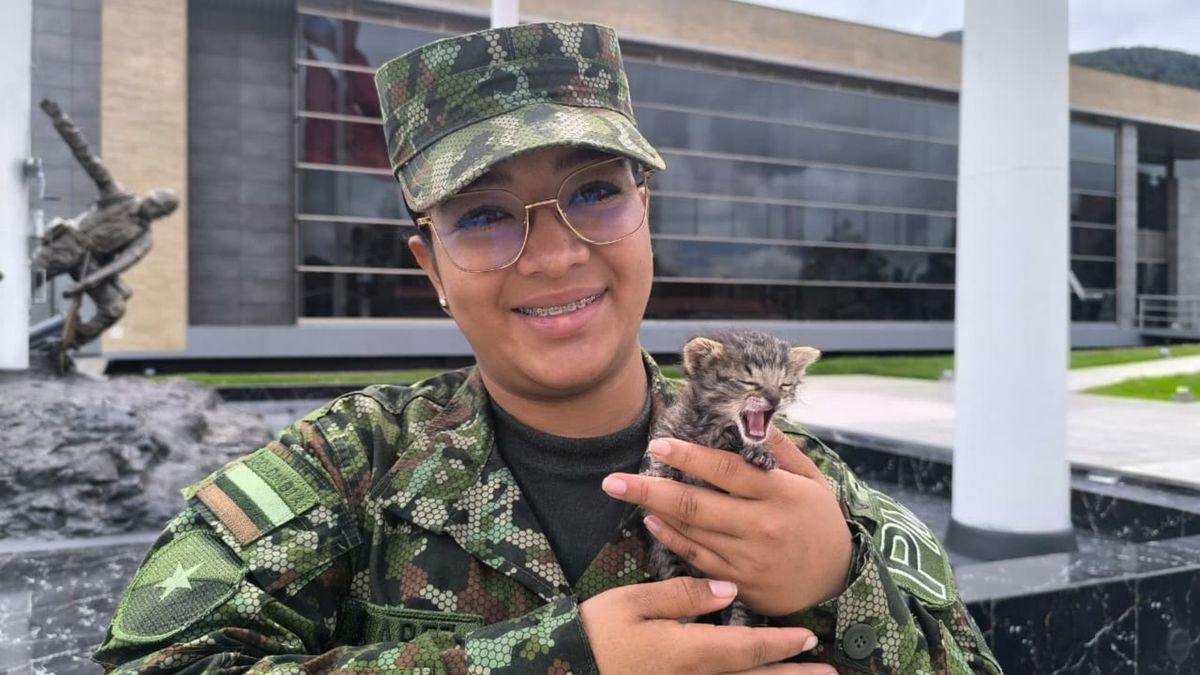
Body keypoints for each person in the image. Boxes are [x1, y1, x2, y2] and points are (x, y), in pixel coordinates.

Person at [93, 21, 1001, 675]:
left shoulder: (800, 490)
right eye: (484, 215)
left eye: (596, 192)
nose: (558, 253)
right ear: (432, 266)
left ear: (648, 215)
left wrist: (839, 584)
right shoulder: (347, 471)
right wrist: (559, 661)